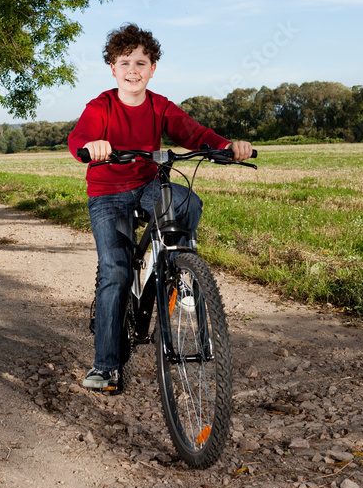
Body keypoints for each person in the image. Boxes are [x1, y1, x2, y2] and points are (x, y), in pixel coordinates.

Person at [68, 23, 252, 391]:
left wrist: (227, 146)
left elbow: (194, 133)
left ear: (153, 68)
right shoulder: (101, 106)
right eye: (125, 62)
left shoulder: (160, 106)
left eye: (141, 62)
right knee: (116, 272)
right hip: (108, 193)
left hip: (149, 184)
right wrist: (93, 146)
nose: (132, 70)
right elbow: (80, 137)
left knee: (187, 200)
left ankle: (180, 271)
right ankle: (105, 366)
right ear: (113, 69)